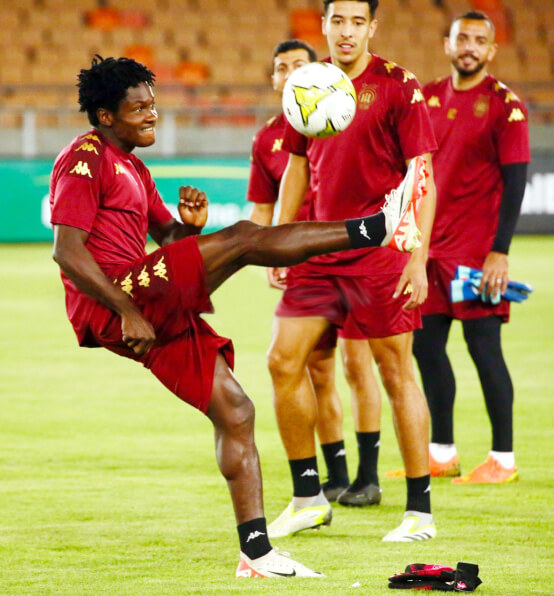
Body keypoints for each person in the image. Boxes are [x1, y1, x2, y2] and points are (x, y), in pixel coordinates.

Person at [50, 55, 420, 576]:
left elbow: (170, 242)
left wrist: (190, 227)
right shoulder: (84, 158)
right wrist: (126, 309)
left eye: (153, 105)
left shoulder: (133, 165)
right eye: (139, 108)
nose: (152, 115)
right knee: (245, 238)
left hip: (144, 294)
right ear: (106, 116)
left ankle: (256, 553)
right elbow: (67, 250)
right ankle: (375, 228)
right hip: (120, 298)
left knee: (236, 409)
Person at [266, 0, 439, 542]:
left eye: (356, 22)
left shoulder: (398, 86)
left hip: (379, 252)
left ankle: (419, 511)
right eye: (336, 21)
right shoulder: (308, 81)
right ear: (323, 26)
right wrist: (278, 238)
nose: (345, 31)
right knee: (282, 361)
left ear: (372, 27)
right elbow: (296, 166)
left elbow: (423, 175)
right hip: (319, 248)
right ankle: (307, 497)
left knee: (395, 373)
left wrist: (417, 258)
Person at [411, 10, 529, 484]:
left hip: (476, 256)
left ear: (491, 51)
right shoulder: (431, 97)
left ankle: (503, 459)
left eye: (480, 40)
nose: (470, 47)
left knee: (484, 349)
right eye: (463, 38)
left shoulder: (505, 105)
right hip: (431, 252)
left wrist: (499, 251)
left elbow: (516, 181)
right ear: (447, 43)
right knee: (426, 347)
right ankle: (442, 452)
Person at [246, 39, 352, 501]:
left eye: (298, 65)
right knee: (314, 369)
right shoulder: (269, 136)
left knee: (356, 368)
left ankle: (358, 475)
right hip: (302, 264)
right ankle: (335, 479)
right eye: (280, 67)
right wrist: (263, 251)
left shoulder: (343, 117)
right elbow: (262, 208)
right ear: (273, 80)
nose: (289, 73)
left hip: (350, 258)